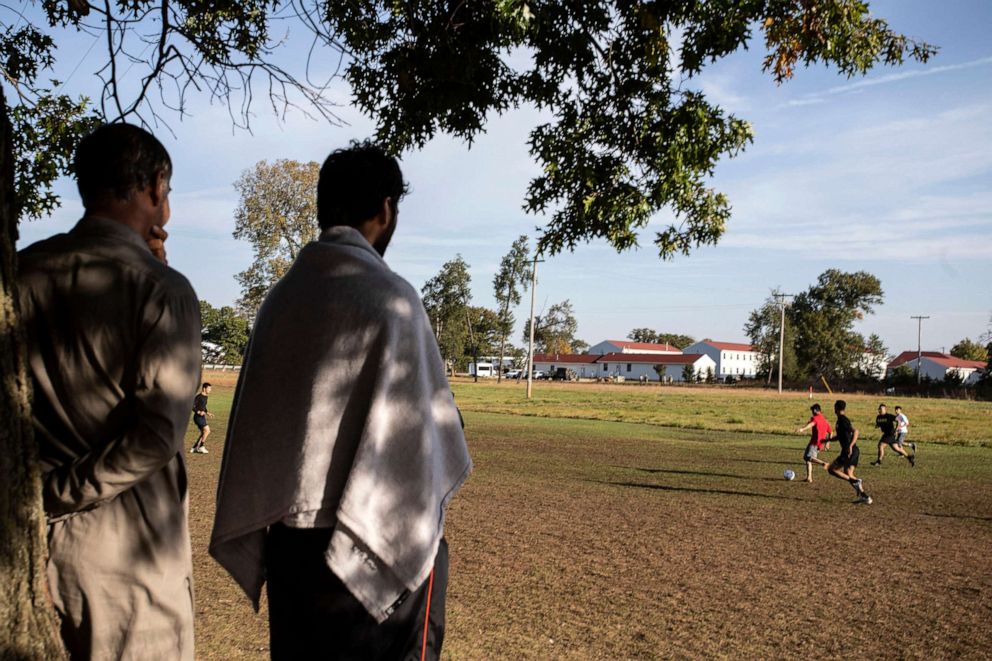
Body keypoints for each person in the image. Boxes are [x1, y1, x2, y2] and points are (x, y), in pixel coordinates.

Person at [210, 141, 472, 661]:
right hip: (376, 544)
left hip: (292, 550)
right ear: (385, 208)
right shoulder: (392, 298)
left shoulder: (281, 300)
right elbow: (435, 430)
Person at [17, 124, 201, 659]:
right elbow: (157, 435)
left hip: (33, 550)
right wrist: (57, 495)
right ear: (154, 188)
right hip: (128, 559)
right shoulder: (161, 290)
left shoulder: (22, 273)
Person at [826, 400, 872, 504]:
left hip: (848, 450)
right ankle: (865, 497)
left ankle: (855, 481)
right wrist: (827, 440)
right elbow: (839, 437)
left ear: (836, 408)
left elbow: (856, 431)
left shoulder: (843, 420)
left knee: (831, 469)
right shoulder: (840, 420)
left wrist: (850, 446)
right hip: (853, 450)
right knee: (848, 473)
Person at [795, 403, 832, 482]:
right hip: (820, 444)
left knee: (807, 457)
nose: (812, 412)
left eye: (812, 411)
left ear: (815, 410)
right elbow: (831, 432)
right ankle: (809, 478)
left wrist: (802, 429)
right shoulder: (824, 420)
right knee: (809, 460)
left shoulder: (815, 418)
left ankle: (824, 463)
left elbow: (811, 424)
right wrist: (828, 442)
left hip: (814, 442)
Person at [871, 403, 915, 467]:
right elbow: (879, 424)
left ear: (885, 410)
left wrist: (896, 429)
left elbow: (898, 421)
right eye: (879, 409)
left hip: (890, 434)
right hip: (886, 434)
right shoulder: (878, 417)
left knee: (881, 445)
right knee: (896, 448)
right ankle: (909, 457)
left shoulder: (889, 416)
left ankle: (879, 461)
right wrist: (877, 425)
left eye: (881, 409)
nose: (880, 410)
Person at [190, 382, 214, 453]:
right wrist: (198, 412)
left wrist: (207, 412)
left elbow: (203, 406)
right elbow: (192, 406)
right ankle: (201, 446)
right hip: (197, 417)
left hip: (202, 417)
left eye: (210, 389)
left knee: (204, 433)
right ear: (204, 388)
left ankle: (194, 448)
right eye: (209, 389)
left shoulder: (206, 396)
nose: (210, 390)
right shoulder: (198, 397)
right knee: (207, 430)